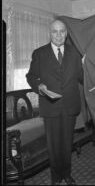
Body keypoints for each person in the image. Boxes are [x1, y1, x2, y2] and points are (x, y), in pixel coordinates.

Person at [26, 19, 84, 185]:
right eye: (55, 31)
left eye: (62, 31)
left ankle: (66, 174)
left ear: (66, 33)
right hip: (50, 106)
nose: (59, 35)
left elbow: (81, 77)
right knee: (53, 145)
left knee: (66, 144)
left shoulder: (75, 53)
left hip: (70, 106)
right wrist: (39, 85)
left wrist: (88, 68)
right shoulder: (39, 53)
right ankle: (56, 177)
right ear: (49, 33)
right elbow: (30, 76)